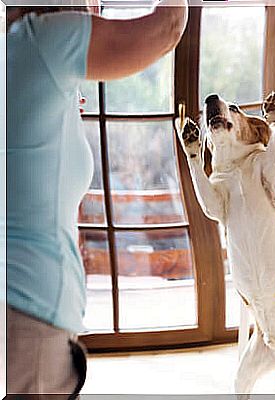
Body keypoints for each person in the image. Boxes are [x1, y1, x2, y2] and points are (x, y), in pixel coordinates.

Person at [6, 0, 188, 396]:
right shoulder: (41, 42)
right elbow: (168, 26)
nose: (95, 8)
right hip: (24, 324)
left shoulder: (20, 53)